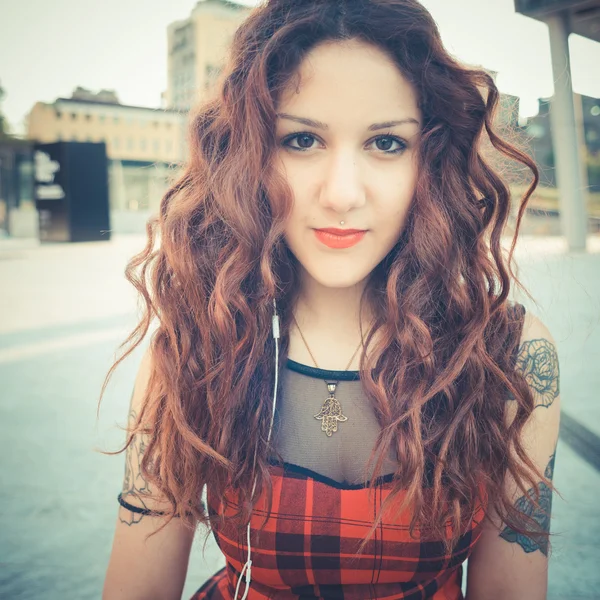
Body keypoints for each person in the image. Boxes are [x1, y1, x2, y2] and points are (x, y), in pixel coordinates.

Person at [101, 0, 561, 598]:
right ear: (249, 156)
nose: (342, 194)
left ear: (432, 158)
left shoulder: (511, 357)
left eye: (387, 144)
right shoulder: (199, 344)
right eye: (301, 139)